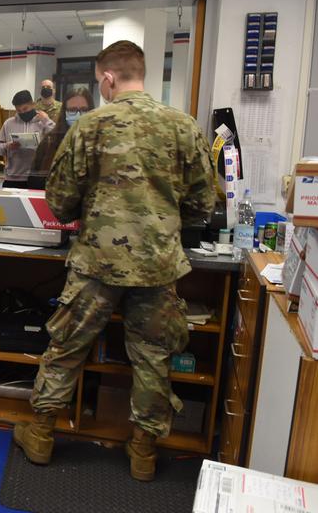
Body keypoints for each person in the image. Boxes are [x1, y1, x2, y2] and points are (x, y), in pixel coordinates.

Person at [12, 41, 216, 482]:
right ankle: (143, 452)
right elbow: (203, 204)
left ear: (107, 78)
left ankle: (43, 435)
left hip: (97, 262)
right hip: (159, 264)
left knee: (66, 347)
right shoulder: (184, 126)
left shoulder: (91, 126)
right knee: (153, 357)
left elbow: (61, 202)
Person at [28, 87, 94, 189]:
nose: (78, 115)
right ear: (64, 111)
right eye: (72, 110)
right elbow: (35, 179)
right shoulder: (50, 140)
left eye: (84, 110)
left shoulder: (99, 141)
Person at [0, 90, 55, 188]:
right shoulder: (8, 123)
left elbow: (58, 138)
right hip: (13, 177)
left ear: (33, 104)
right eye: (19, 110)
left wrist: (46, 120)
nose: (22, 112)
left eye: (25, 109)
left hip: (37, 176)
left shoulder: (43, 121)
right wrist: (8, 146)